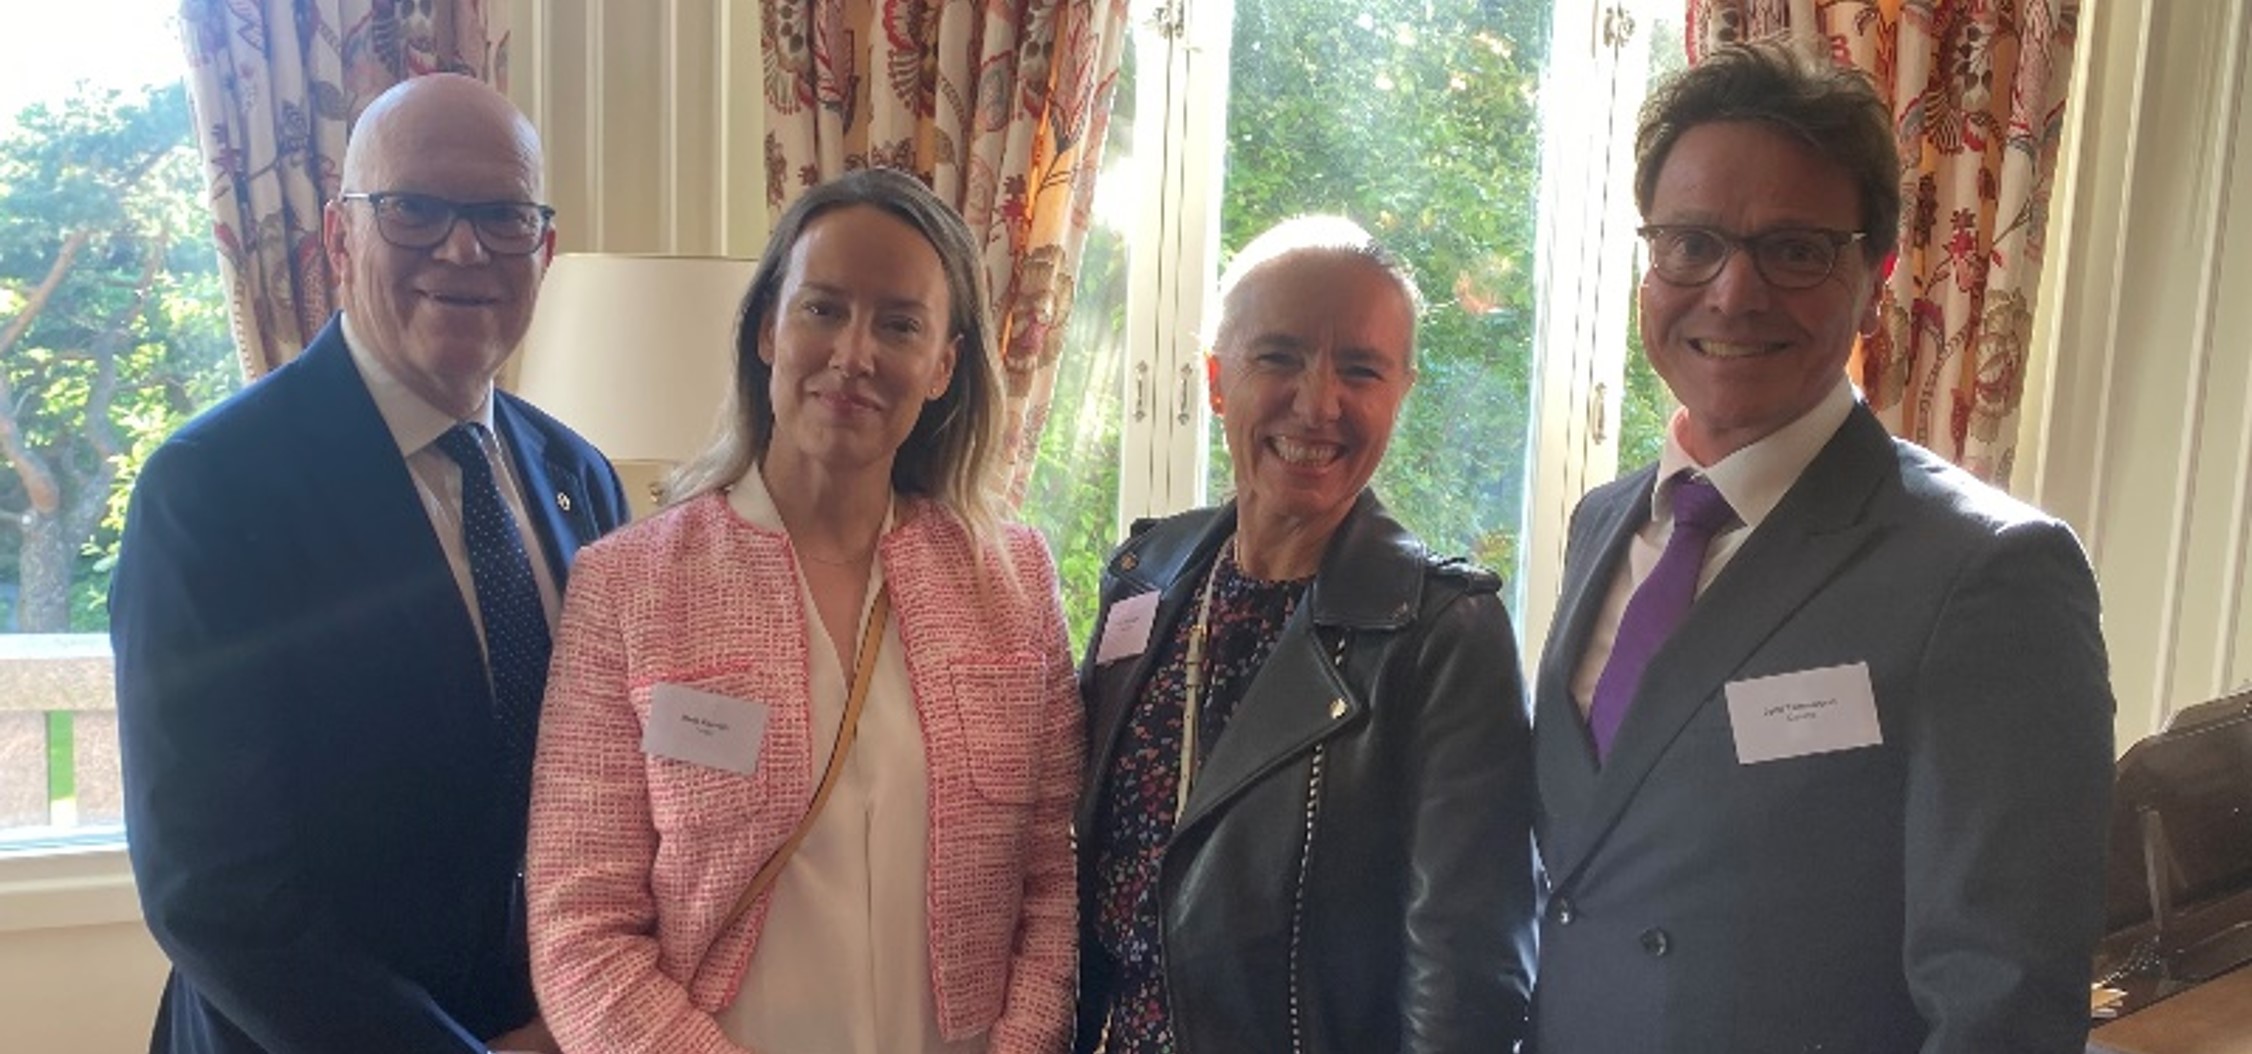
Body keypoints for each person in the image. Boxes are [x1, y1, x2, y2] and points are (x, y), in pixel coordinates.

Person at [1528, 42, 2113, 1054]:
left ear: (1875, 277)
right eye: (1690, 243)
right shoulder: (1603, 522)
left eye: (1794, 250)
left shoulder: (1986, 575)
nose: (1732, 293)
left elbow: (2002, 1002)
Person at [110, 74, 628, 1054]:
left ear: (545, 250)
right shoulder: (212, 490)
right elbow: (215, 894)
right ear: (341, 239)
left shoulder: (580, 477)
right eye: (415, 208)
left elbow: (600, 795)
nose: (463, 248)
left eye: (502, 215)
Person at [524, 167, 1081, 1054]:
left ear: (943, 365)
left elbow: (1055, 883)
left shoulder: (1009, 585)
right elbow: (579, 927)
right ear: (765, 330)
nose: (854, 354)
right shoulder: (629, 586)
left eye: (899, 324)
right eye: (823, 308)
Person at [1074, 215, 1538, 1052]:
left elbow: (1465, 980)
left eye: (1360, 369)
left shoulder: (1442, 636)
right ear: (1218, 380)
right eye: (1279, 358)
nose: (1319, 403)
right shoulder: (1145, 576)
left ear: (1400, 392)